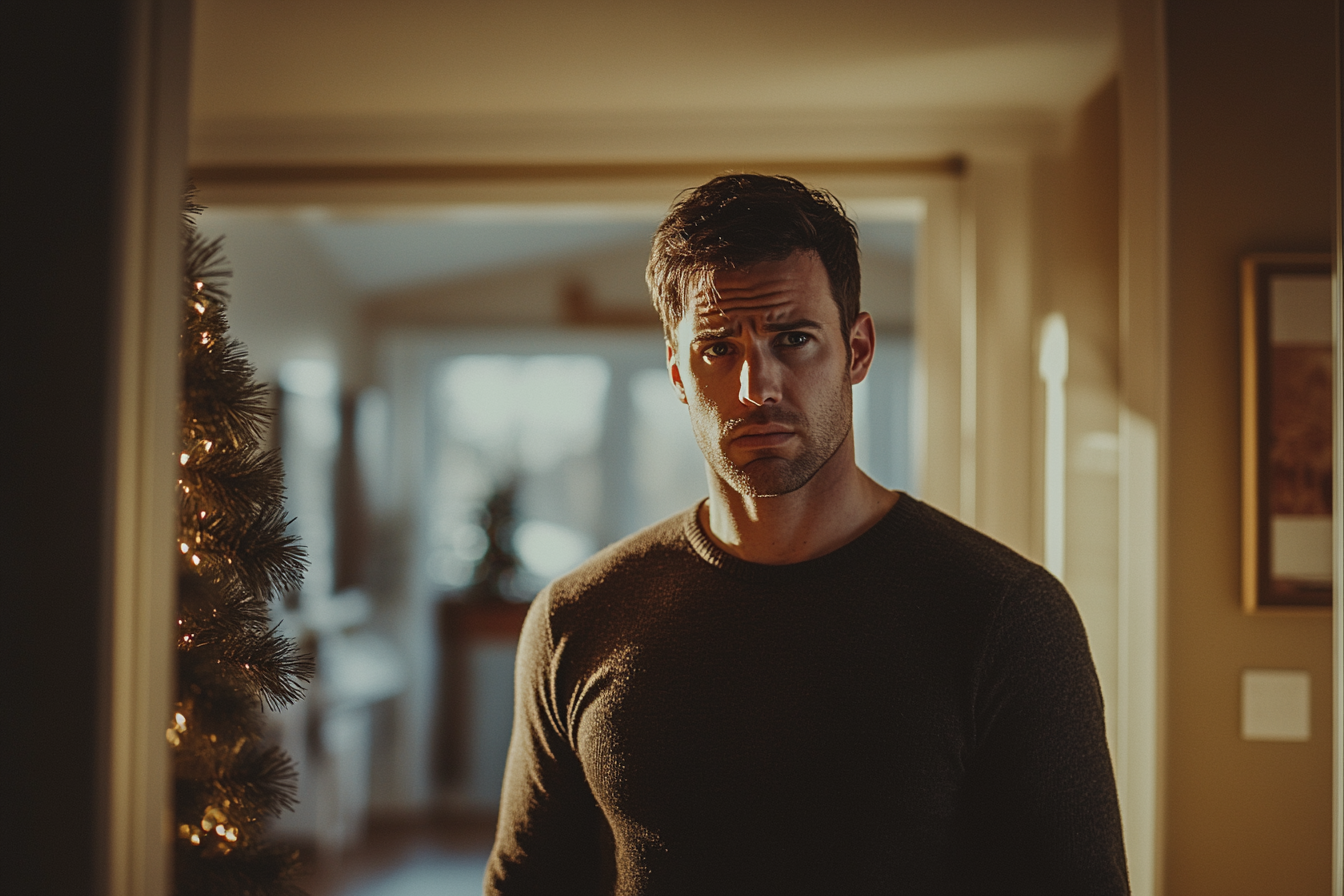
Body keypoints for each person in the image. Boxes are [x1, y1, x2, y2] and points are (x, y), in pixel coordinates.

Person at [485, 174, 1129, 895]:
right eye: (718, 348)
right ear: (675, 372)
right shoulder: (580, 617)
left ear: (857, 350)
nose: (757, 386)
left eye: (794, 340)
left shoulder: (1006, 615)